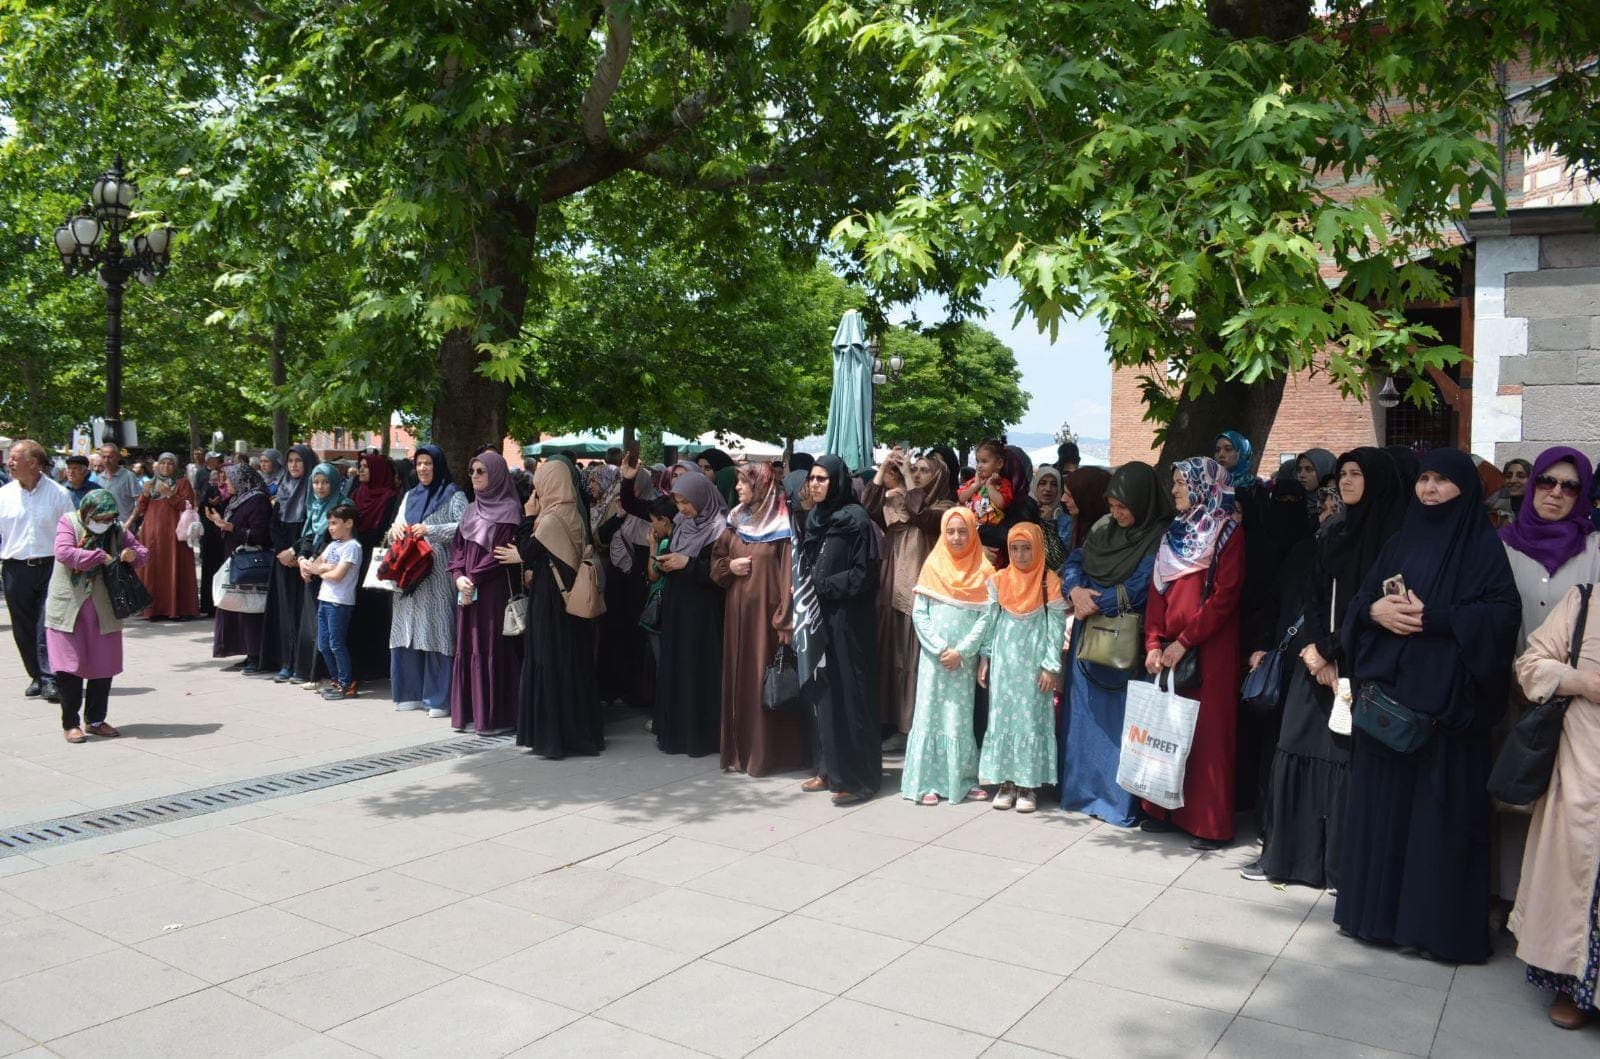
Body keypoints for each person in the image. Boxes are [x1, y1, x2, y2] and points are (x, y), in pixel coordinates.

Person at [1335, 448, 1520, 964]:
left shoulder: (1482, 549)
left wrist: (1434, 619)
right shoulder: (1400, 541)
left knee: (1437, 822)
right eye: (1424, 479)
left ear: (1464, 489)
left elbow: (1501, 617)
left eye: (1442, 481)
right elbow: (1360, 601)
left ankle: (1432, 931)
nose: (1430, 489)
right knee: (1385, 814)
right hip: (1389, 709)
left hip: (1445, 715)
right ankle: (1375, 920)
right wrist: (1374, 611)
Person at [1246, 447, 1405, 887]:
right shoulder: (1333, 532)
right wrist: (1316, 650)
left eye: (1356, 474)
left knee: (1343, 766)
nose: (1346, 482)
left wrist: (1335, 652)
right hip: (1315, 663)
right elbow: (1312, 597)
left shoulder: (1393, 540)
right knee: (1294, 750)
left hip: (1361, 665)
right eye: (1343, 475)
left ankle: (1336, 867)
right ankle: (1288, 859)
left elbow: (1374, 609)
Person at [1494, 446, 1600, 904]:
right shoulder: (1502, 543)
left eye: (1570, 486)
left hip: (1569, 701)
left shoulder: (1594, 549)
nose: (1555, 493)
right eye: (1547, 482)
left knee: (1556, 807)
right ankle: (1504, 898)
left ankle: (1544, 909)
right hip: (1504, 690)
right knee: (1507, 794)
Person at [1142, 457, 1247, 849]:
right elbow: (1158, 589)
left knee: (1207, 736)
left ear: (1202, 485)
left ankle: (1207, 824)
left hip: (1209, 649)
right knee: (1169, 729)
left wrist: (1185, 640)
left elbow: (1226, 594)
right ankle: (1163, 810)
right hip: (1169, 646)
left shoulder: (1226, 530)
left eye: (1181, 483)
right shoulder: (1174, 532)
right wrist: (1153, 641)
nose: (1174, 490)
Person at [1059, 461, 1170, 824]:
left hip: (1122, 637)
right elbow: (1075, 561)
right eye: (1112, 506)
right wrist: (1075, 591)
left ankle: (1115, 803)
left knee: (1119, 724)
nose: (1116, 512)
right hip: (1087, 635)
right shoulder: (1102, 529)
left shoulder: (1157, 536)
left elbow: (1142, 584)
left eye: (1123, 506)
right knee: (1084, 717)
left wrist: (1096, 602)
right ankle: (1081, 794)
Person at [1511, 585, 1600, 1029]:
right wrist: (1583, 681)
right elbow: (1529, 665)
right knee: (1580, 883)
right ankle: (1573, 989)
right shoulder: (1585, 600)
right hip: (1583, 763)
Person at [621, 453, 727, 757]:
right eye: (679, 502)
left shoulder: (719, 527)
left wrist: (688, 563)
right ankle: (676, 732)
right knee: (677, 668)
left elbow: (721, 572)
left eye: (686, 502)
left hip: (704, 612)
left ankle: (700, 737)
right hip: (678, 606)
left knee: (698, 669)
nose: (682, 509)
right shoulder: (682, 523)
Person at [502, 458, 605, 758]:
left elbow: (527, 551)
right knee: (572, 665)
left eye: (539, 486)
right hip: (570, 601)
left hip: (551, 603)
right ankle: (579, 735)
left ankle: (552, 738)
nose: (536, 492)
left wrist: (527, 517)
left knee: (549, 663)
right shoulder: (573, 512)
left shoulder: (548, 520)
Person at [797, 454, 882, 805]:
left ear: (838, 481)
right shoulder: (816, 518)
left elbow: (866, 575)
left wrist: (824, 585)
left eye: (822, 479)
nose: (815, 484)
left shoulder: (857, 520)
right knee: (825, 693)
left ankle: (857, 778)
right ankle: (828, 768)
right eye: (813, 479)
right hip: (819, 617)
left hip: (848, 620)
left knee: (850, 693)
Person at [712, 461, 804, 775]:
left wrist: (784, 621)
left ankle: (766, 754)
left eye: (743, 483)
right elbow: (717, 561)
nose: (737, 488)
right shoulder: (736, 519)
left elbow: (788, 576)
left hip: (767, 621)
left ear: (761, 485)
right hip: (737, 616)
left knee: (764, 683)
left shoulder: (782, 525)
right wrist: (729, 567)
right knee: (740, 678)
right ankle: (739, 752)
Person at [901, 507, 994, 806]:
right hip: (934, 658)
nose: (956, 537)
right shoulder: (933, 566)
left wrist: (963, 651)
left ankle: (962, 780)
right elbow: (920, 613)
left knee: (959, 718)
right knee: (930, 715)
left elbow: (987, 617)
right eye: (950, 531)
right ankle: (927, 780)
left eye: (963, 531)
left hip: (962, 660)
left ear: (972, 532)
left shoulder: (984, 570)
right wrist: (941, 648)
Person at [44, 489, 147, 742]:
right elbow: (64, 552)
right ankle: (70, 723)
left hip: (105, 608)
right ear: (87, 512)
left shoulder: (117, 529)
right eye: (99, 519)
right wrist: (99, 556)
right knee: (69, 667)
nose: (103, 524)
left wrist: (132, 555)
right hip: (69, 607)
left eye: (108, 519)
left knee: (103, 665)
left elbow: (142, 552)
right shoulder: (68, 521)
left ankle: (96, 720)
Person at [978, 522, 1065, 813]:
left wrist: (1051, 665)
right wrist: (985, 656)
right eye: (1014, 548)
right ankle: (1005, 782)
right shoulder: (1000, 579)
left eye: (1027, 547)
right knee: (1002, 717)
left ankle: (1028, 785)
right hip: (1005, 663)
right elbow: (990, 620)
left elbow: (1056, 627)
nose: (1020, 554)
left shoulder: (1048, 581)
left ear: (1038, 548)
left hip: (1034, 663)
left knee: (1031, 718)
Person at [864, 450, 952, 737]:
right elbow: (867, 507)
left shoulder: (944, 508)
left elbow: (921, 514)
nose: (916, 473)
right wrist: (883, 469)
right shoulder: (898, 502)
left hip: (918, 590)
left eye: (924, 470)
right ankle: (887, 724)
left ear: (938, 476)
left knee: (910, 661)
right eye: (915, 468)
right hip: (889, 585)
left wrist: (904, 478)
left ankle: (910, 726)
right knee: (889, 655)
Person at [385, 444, 466, 716]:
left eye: (428, 463)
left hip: (436, 577)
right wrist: (394, 529)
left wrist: (432, 529)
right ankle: (408, 693)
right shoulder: (409, 496)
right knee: (405, 631)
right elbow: (394, 528)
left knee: (436, 631)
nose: (423, 468)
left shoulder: (454, 495)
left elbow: (466, 526)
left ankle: (438, 698)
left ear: (438, 465)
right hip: (408, 576)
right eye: (419, 463)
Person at [448, 452, 523, 733]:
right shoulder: (469, 510)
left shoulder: (509, 511)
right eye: (472, 471)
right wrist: (458, 577)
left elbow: (499, 554)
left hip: (492, 591)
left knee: (490, 644)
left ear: (497, 474)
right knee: (467, 644)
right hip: (467, 589)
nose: (475, 476)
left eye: (482, 471)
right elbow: (457, 548)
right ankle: (469, 714)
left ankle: (495, 716)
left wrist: (472, 579)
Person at [1, 440, 75, 701]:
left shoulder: (58, 494)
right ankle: (35, 674)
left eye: (14, 457)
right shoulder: (4, 495)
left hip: (51, 567)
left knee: (47, 623)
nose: (9, 462)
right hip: (15, 568)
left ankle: (49, 676)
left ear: (32, 463)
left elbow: (71, 533)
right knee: (22, 625)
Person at [254, 444, 317, 678]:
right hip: (282, 559)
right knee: (284, 611)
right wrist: (282, 550)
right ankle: (284, 661)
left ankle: (301, 664)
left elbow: (314, 526)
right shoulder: (282, 489)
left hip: (304, 556)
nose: (293, 465)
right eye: (290, 460)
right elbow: (274, 523)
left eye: (299, 460)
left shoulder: (314, 489)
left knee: (303, 611)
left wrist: (295, 550)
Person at [209, 463, 272, 671]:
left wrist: (229, 527)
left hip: (250, 563)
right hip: (236, 559)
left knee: (251, 608)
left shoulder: (258, 500)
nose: (224, 483)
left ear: (240, 478)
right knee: (237, 606)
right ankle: (247, 652)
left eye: (228, 478)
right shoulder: (237, 500)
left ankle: (257, 655)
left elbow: (260, 534)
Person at [345, 452, 400, 681]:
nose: (362, 470)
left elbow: (386, 530)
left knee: (376, 613)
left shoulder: (389, 497)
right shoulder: (356, 494)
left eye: (367, 466)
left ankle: (378, 665)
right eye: (361, 466)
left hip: (375, 559)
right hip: (355, 559)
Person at [291, 462, 344, 689]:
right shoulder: (314, 505)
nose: (320, 487)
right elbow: (308, 536)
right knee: (314, 624)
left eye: (325, 482)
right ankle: (311, 673)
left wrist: (313, 564)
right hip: (312, 570)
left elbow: (336, 541)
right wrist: (302, 559)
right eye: (316, 482)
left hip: (331, 572)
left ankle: (327, 675)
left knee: (328, 629)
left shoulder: (342, 505)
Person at [132, 452, 199, 621]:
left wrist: (170, 494)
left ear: (175, 466)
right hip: (151, 535)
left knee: (175, 567)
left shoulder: (182, 483)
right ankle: (153, 609)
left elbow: (187, 505)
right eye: (162, 463)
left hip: (174, 535)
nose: (166, 467)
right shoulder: (150, 484)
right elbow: (141, 509)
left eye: (170, 464)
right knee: (153, 569)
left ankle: (179, 609)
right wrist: (145, 495)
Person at [304, 503, 362, 699]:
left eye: (334, 523)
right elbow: (314, 567)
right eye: (329, 523)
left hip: (340, 602)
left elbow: (338, 575)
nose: (330, 527)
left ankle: (347, 683)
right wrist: (327, 568)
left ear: (348, 523)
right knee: (323, 645)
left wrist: (325, 569)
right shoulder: (332, 545)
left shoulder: (353, 547)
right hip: (325, 599)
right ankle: (337, 679)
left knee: (336, 643)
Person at [196, 454, 228, 616]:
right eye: (220, 474)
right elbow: (202, 507)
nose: (222, 478)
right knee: (209, 568)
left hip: (224, 535)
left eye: (225, 475)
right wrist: (210, 504)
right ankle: (208, 604)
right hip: (210, 533)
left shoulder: (231, 491)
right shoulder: (210, 488)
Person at [958, 439, 1012, 530]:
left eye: (984, 461)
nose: (979, 465)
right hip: (969, 527)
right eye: (977, 461)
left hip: (990, 530)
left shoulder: (1003, 484)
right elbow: (962, 498)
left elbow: (1001, 504)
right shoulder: (973, 482)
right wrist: (975, 486)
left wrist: (990, 486)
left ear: (999, 463)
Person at [1033, 466, 1072, 565]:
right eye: (1042, 483)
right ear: (1034, 486)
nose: (1048, 489)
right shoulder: (1023, 514)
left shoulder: (1067, 521)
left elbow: (1061, 560)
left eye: (1054, 484)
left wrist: (1049, 523)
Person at [91, 443, 140, 521]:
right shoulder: (98, 478)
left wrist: (129, 522)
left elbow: (140, 502)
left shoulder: (129, 476)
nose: (106, 460)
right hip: (104, 526)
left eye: (110, 457)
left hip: (124, 526)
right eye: (104, 457)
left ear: (118, 457)